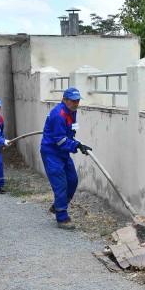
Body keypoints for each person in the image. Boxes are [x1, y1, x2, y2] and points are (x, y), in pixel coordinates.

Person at [40, 87, 92, 230]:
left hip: (62, 152)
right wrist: (76, 146)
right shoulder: (59, 114)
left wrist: (78, 144)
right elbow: (60, 140)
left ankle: (58, 205)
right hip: (51, 153)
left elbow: (69, 134)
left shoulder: (71, 112)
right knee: (61, 184)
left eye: (77, 101)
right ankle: (62, 217)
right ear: (64, 100)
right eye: (73, 101)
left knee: (73, 180)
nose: (76, 103)